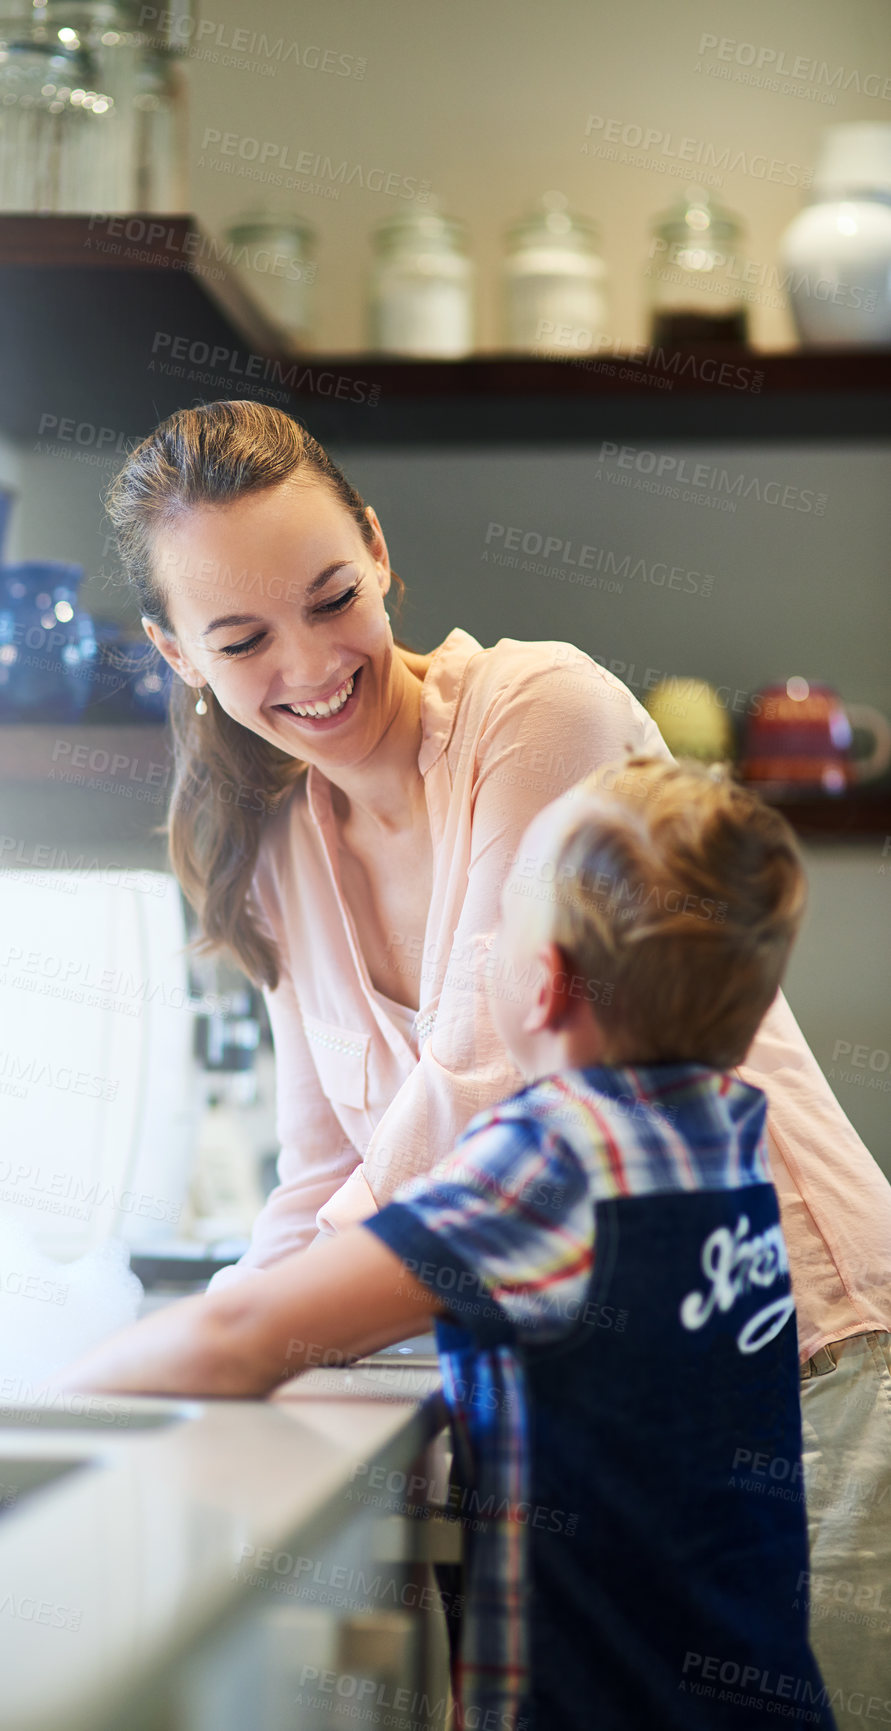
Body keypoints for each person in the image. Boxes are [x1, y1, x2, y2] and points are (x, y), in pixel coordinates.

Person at [102, 400, 891, 1698]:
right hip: (617, 1416)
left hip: (802, 1357)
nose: (306, 662)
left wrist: (237, 1333)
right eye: (240, 637)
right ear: (174, 653)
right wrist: (214, 1344)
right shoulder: (280, 852)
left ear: (376, 546)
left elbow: (473, 1095)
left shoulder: (540, 712)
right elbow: (317, 1175)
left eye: (329, 594)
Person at [53, 756, 838, 1731]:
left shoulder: (555, 1152)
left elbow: (243, 1333)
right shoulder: (720, 1133)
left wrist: (53, 1414)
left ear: (544, 985)